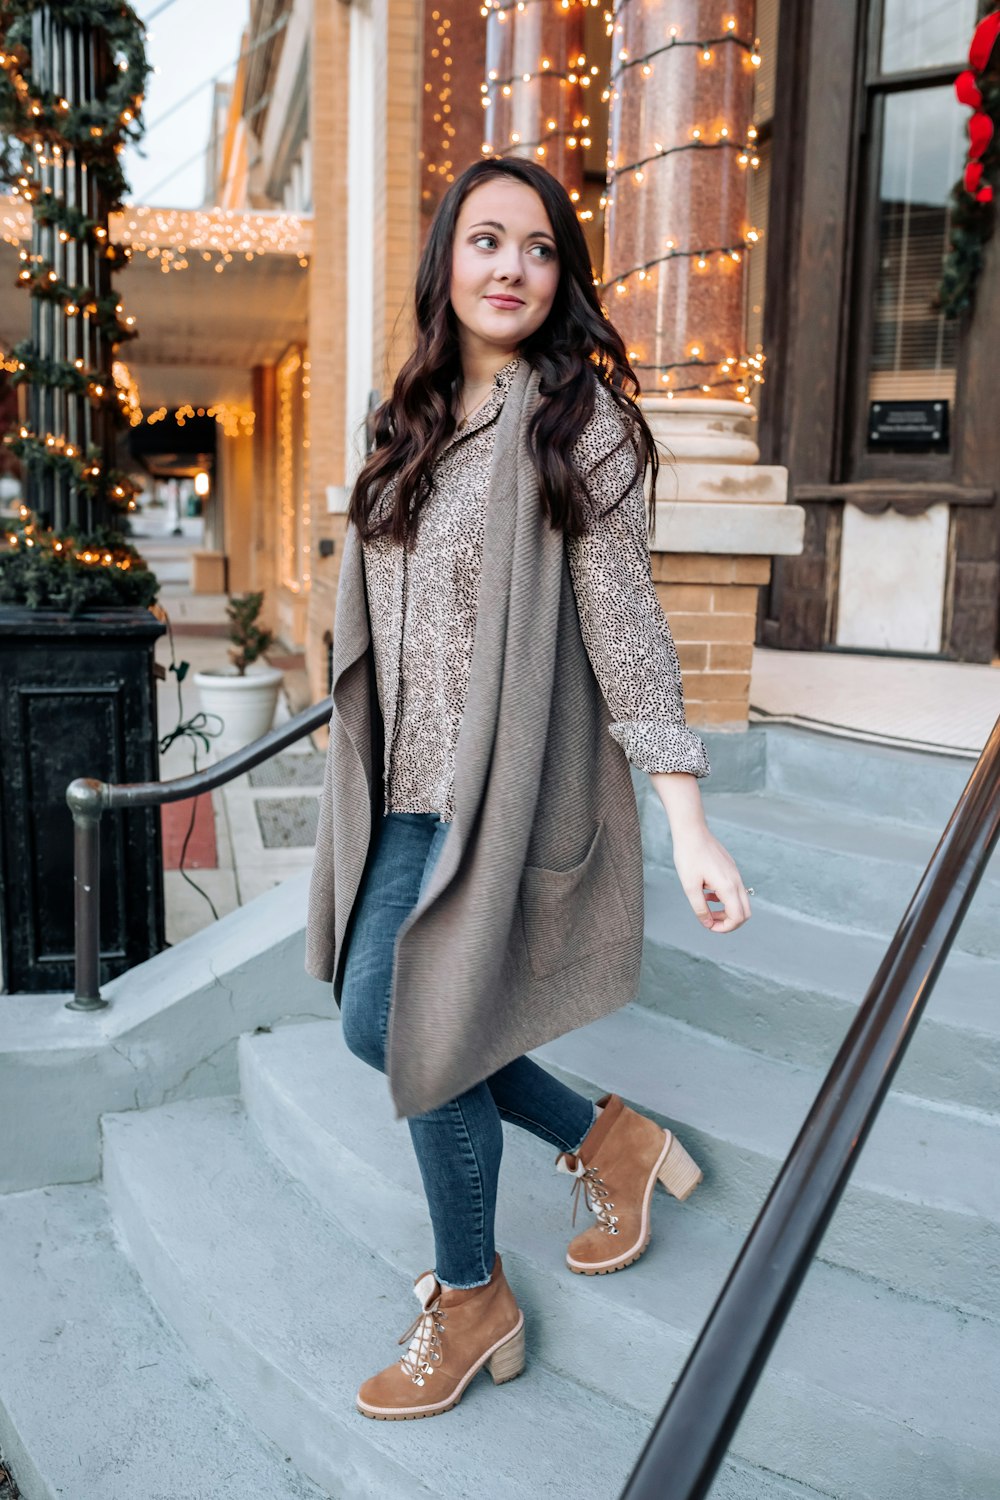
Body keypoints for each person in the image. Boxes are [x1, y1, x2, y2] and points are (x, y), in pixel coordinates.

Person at [305, 156, 751, 1422]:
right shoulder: (408, 424)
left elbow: (625, 630)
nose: (513, 267)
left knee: (411, 1029)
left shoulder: (575, 423)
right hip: (402, 794)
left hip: (495, 798)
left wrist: (687, 819)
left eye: (540, 248)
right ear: (447, 258)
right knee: (369, 1018)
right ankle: (602, 1135)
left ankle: (471, 1293)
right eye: (488, 241)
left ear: (563, 276)